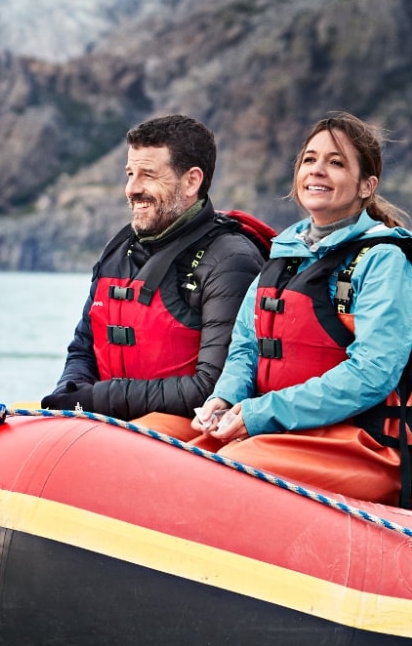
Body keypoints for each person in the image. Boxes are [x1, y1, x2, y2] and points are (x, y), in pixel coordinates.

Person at [193, 113, 412, 505]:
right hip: (285, 435)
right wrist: (224, 400)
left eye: (336, 162)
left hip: (366, 445)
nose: (318, 171)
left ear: (368, 186)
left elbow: (372, 374)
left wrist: (262, 412)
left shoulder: (385, 261)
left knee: (223, 471)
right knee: (181, 454)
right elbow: (247, 346)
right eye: (310, 160)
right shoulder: (284, 254)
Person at [42, 114, 267, 427]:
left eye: (147, 175)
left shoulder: (231, 262)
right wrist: (69, 394)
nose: (131, 189)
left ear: (191, 181)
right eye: (130, 173)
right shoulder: (117, 252)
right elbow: (83, 348)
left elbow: (213, 389)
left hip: (186, 437)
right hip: (105, 429)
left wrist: (96, 400)